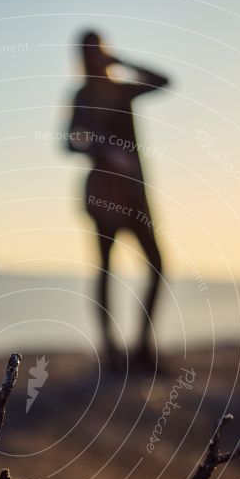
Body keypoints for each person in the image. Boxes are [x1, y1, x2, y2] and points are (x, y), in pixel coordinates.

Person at [66, 31, 170, 370]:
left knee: (157, 267)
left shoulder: (123, 90)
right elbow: (70, 142)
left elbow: (164, 80)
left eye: (101, 50)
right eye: (91, 51)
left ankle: (142, 348)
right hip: (102, 196)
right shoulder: (82, 96)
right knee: (105, 269)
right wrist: (104, 149)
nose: (97, 56)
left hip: (135, 194)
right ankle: (110, 352)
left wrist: (122, 61)